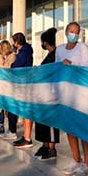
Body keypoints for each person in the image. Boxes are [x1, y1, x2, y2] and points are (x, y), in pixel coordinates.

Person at [56, 22, 88, 176]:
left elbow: (87, 69)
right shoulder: (59, 49)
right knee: (70, 129)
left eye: (76, 32)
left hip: (80, 94)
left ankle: (87, 163)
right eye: (71, 31)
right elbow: (56, 68)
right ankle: (76, 160)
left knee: (82, 129)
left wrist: (71, 65)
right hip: (66, 94)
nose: (74, 34)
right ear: (66, 32)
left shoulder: (82, 48)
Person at [33, 27, 60, 161]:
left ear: (45, 42)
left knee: (50, 122)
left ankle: (51, 148)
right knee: (42, 121)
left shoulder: (56, 54)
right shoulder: (50, 55)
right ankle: (44, 144)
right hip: (43, 94)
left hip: (51, 94)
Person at [11, 32, 34, 149]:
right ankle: (26, 136)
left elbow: (16, 66)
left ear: (16, 42)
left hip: (24, 84)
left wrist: (12, 65)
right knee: (24, 112)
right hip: (24, 83)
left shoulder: (24, 53)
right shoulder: (25, 51)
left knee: (26, 112)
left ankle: (27, 138)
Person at [0, 41, 15, 136]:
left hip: (5, 86)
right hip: (0, 85)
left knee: (2, 108)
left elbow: (6, 69)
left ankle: (1, 126)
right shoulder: (6, 57)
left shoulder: (11, 56)